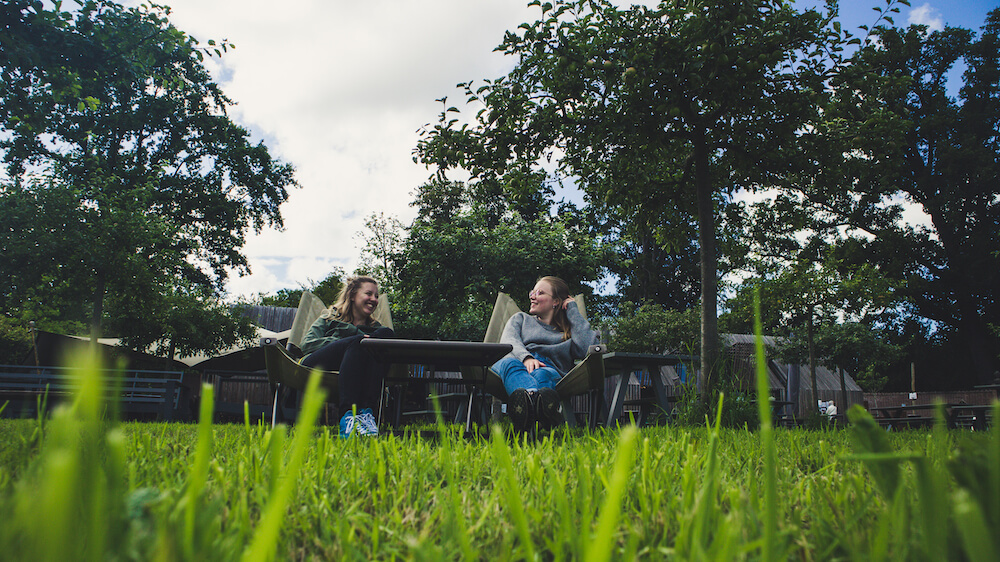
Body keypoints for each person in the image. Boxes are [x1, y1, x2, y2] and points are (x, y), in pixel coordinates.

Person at [491, 276, 601, 432]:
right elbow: (509, 342)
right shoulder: (520, 319)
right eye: (532, 292)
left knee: (543, 374)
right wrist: (527, 358)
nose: (532, 296)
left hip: (549, 369)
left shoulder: (569, 332)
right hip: (515, 362)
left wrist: (573, 311)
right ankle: (542, 414)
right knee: (510, 364)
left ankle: (526, 414)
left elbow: (588, 349)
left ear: (555, 301)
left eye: (540, 293)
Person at [300, 275, 394, 438]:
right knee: (359, 342)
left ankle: (366, 414)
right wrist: (348, 341)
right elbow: (307, 345)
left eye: (376, 296)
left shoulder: (376, 328)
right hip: (318, 365)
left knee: (385, 335)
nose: (374, 299)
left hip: (361, 371)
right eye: (368, 294)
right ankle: (348, 416)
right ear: (352, 295)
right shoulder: (329, 319)